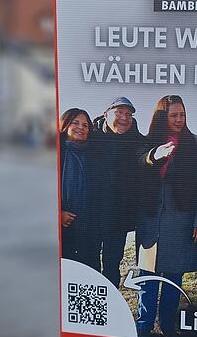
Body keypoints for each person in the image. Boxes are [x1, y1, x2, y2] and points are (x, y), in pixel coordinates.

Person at [136, 95, 197, 337]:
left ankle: (168, 325)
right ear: (162, 117)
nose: (179, 120)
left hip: (182, 222)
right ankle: (144, 325)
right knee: (147, 275)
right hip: (151, 222)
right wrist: (154, 155)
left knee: (173, 277)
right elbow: (137, 162)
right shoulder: (147, 143)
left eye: (182, 115)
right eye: (173, 115)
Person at [90, 97, 144, 287]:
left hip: (118, 218)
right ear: (106, 114)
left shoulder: (138, 141)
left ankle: (111, 304)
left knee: (112, 265)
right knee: (90, 264)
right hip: (91, 215)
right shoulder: (90, 137)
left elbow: (147, 158)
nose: (124, 118)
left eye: (128, 114)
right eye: (119, 112)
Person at [59, 108, 100, 270]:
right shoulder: (55, 152)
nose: (81, 128)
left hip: (89, 227)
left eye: (85, 125)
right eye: (75, 123)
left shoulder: (94, 154)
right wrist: (58, 213)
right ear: (65, 125)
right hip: (63, 227)